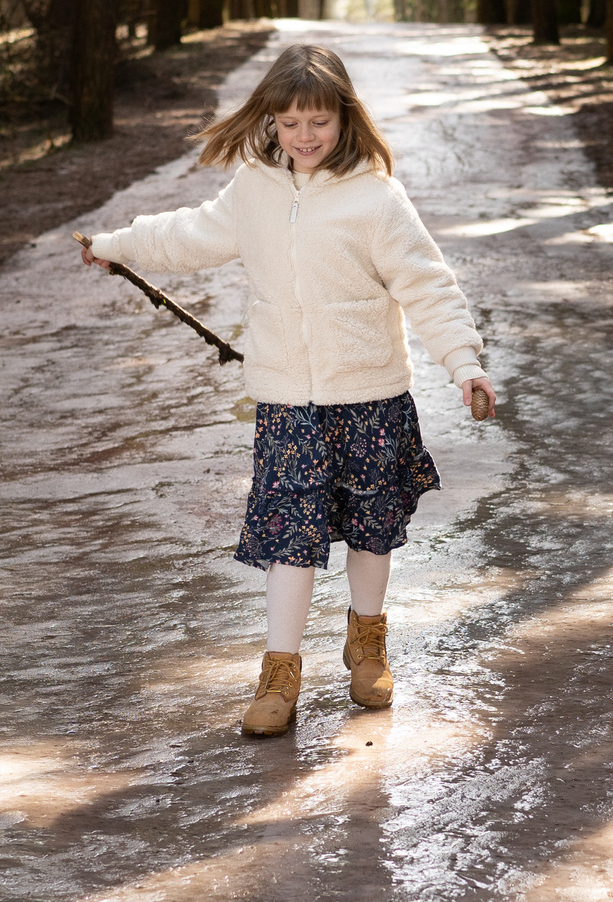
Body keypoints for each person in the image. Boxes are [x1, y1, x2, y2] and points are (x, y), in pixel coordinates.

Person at [78, 43, 496, 736]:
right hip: (288, 405)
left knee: (371, 530)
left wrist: (463, 362)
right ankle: (279, 671)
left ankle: (367, 644)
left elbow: (427, 285)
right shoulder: (254, 190)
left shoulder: (375, 198)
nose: (305, 136)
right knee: (289, 539)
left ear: (344, 119)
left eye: (319, 122)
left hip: (369, 396)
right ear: (270, 120)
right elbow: (189, 235)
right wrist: (117, 243)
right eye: (291, 122)